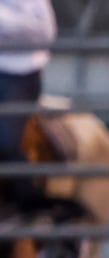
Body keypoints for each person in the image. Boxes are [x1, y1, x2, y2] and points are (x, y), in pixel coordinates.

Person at [0, 0, 55, 206]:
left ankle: (27, 203)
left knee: (5, 140)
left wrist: (4, 20)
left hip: (18, 74)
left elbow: (44, 32)